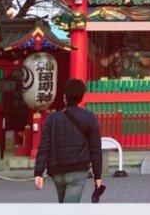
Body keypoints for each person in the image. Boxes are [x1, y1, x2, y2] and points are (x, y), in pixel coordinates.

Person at [33, 76, 103, 204]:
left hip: (57, 171)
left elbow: (44, 147)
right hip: (78, 170)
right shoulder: (89, 118)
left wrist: (38, 172)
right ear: (82, 96)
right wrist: (97, 175)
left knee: (63, 205)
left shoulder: (52, 119)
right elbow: (95, 148)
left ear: (65, 96)